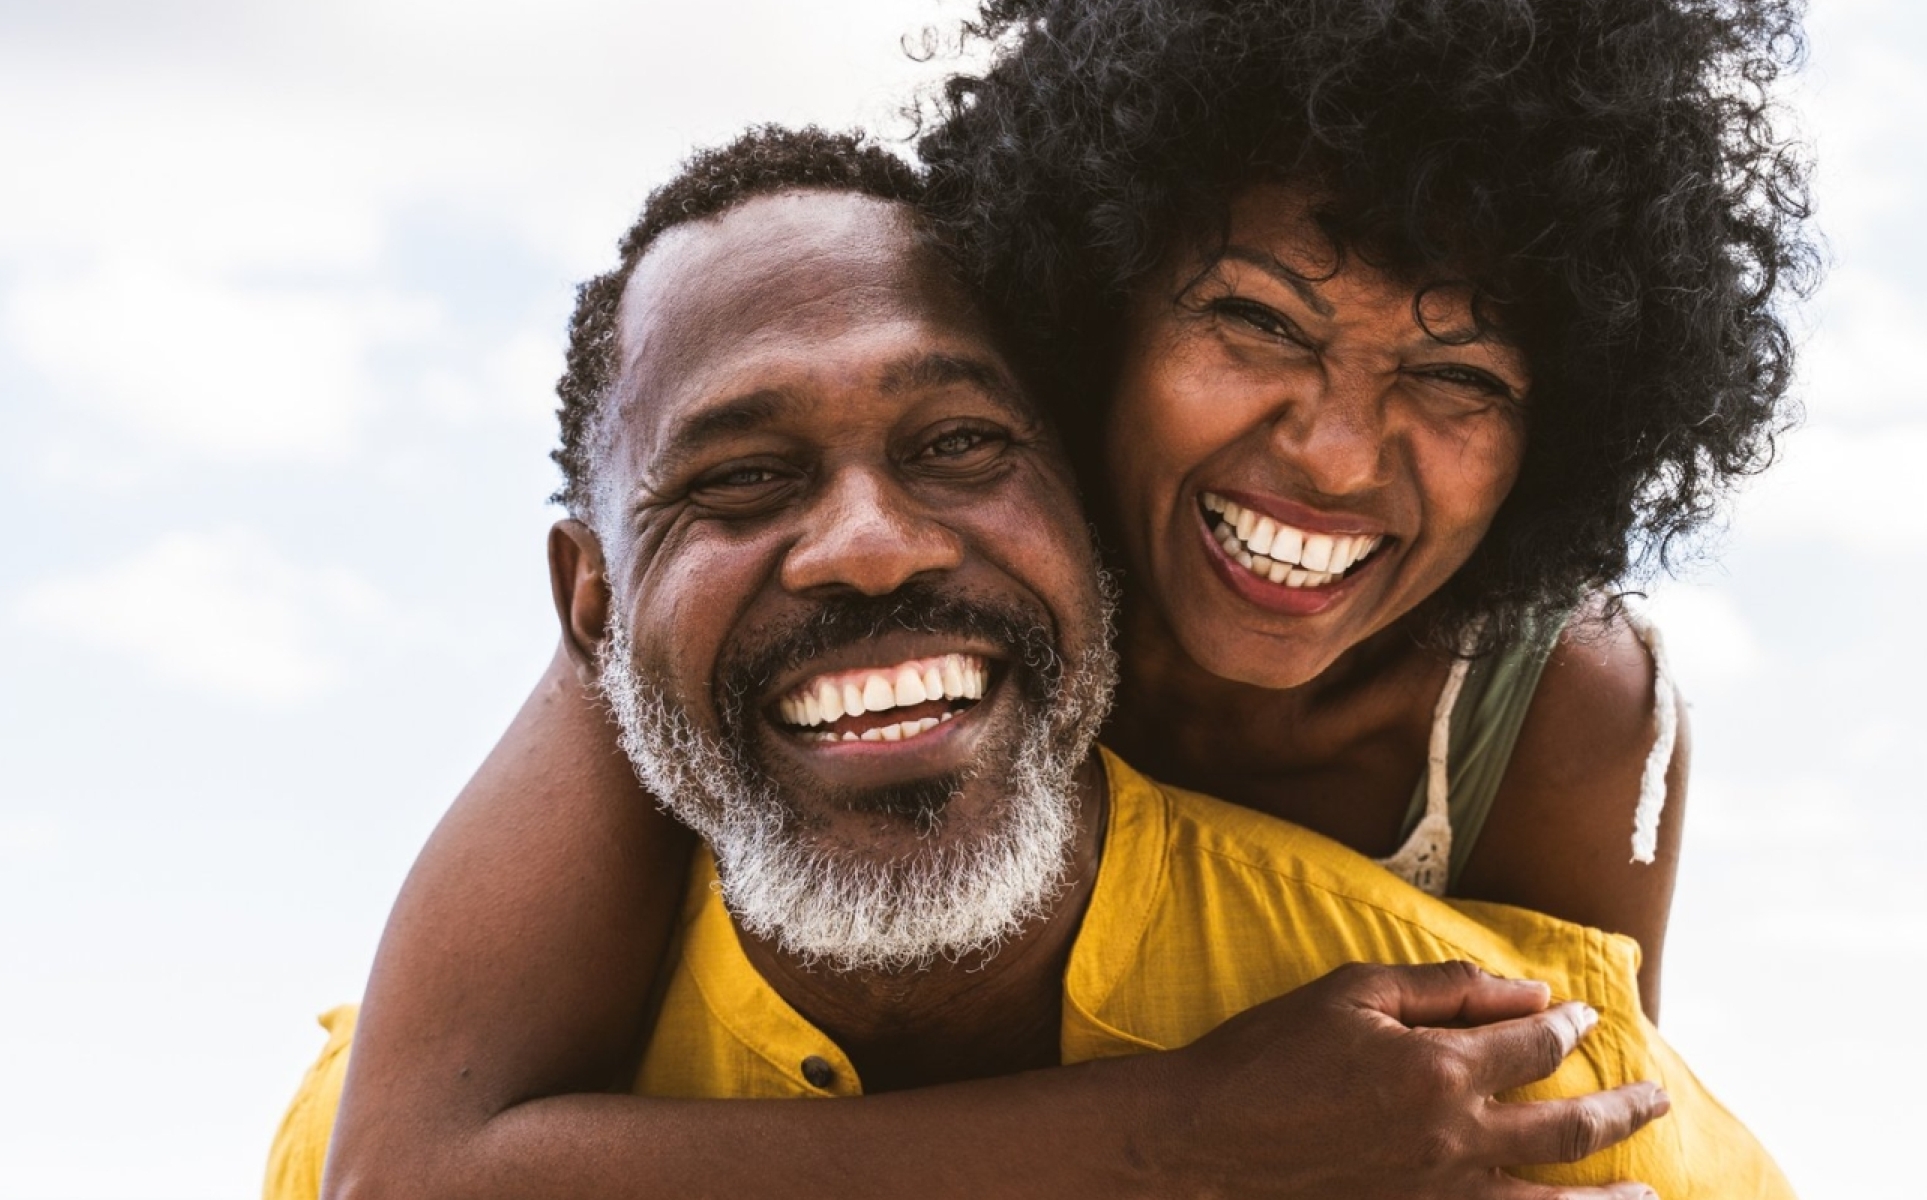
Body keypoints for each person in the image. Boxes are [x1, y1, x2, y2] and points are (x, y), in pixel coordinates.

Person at [319, 0, 1811, 1193]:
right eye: (1250, 322)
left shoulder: (1557, 710)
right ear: (1091, 307)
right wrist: (1181, 1136)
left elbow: (1567, 1112)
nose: (1336, 454)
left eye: (1459, 379)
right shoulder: (878, 568)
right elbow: (408, 1166)